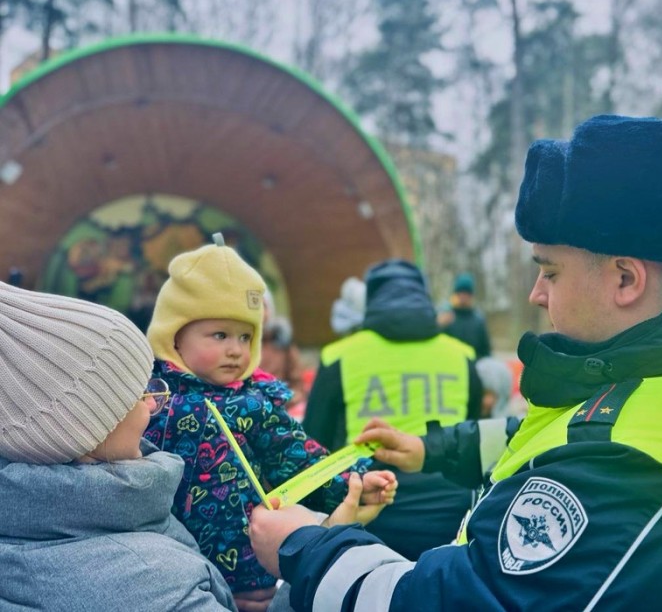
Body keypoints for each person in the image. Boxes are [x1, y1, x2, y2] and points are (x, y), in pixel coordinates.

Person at [248, 114, 662, 610]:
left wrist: (305, 548)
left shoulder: (639, 461)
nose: (535, 293)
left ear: (625, 278)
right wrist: (433, 448)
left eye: (549, 269)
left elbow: (472, 599)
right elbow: (555, 439)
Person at [143, 234, 396, 611]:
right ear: (174, 335)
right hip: (173, 573)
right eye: (220, 334)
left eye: (246, 336)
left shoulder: (254, 403)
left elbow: (299, 457)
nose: (236, 349)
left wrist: (352, 482)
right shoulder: (147, 402)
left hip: (251, 573)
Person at [0, 282, 237, 610]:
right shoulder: (158, 586)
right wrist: (307, 569)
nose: (154, 405)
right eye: (139, 393)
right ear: (83, 432)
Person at [303, 258, 483, 559]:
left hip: (370, 513)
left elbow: (311, 445)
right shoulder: (462, 355)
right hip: (452, 518)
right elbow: (476, 434)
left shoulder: (339, 356)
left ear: (371, 300)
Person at [258, 291, 307, 418]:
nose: (261, 313)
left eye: (264, 306)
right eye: (256, 306)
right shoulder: (241, 346)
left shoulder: (283, 344)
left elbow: (297, 384)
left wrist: (285, 399)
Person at [438, 272, 492, 358]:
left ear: (471, 296)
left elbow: (486, 352)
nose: (463, 296)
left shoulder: (478, 321)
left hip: (473, 367)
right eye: (460, 293)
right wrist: (439, 325)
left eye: (466, 293)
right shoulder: (446, 318)